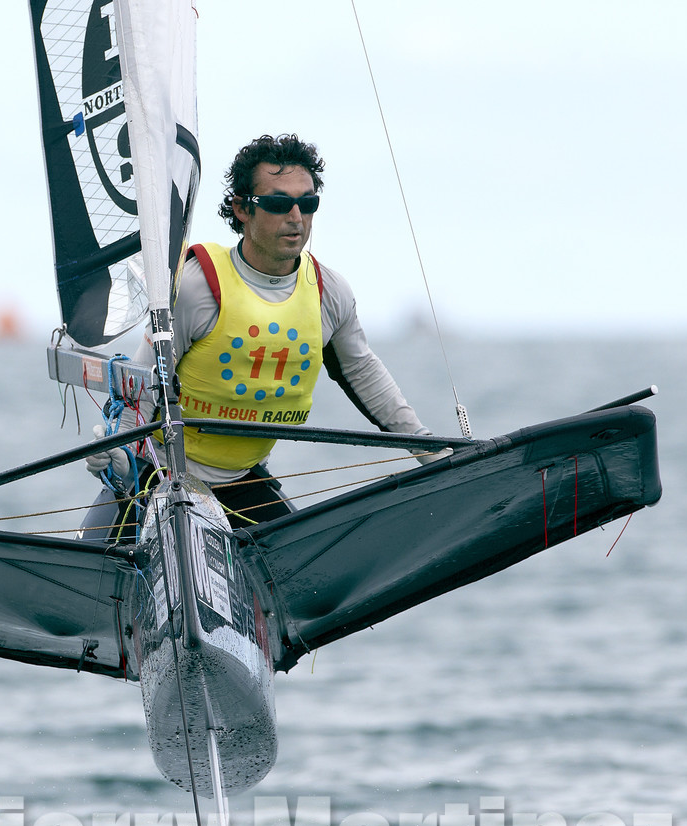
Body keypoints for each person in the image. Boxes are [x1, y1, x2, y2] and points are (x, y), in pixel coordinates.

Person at [83, 134, 444, 541]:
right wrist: (119, 459)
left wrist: (431, 452)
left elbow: (365, 375)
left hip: (243, 483)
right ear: (241, 208)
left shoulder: (329, 292)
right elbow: (144, 385)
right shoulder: (196, 286)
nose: (296, 216)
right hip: (157, 474)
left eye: (308, 203)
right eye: (277, 203)